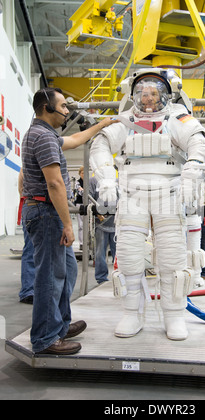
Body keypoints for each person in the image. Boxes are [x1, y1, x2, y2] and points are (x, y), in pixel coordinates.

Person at [90, 69, 205, 341]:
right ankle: (132, 313)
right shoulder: (125, 120)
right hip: (132, 195)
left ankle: (174, 315)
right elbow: (100, 145)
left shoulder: (177, 117)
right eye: (142, 92)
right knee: (130, 257)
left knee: (172, 259)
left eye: (154, 92)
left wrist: (192, 170)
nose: (148, 97)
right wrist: (107, 178)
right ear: (134, 95)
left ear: (165, 94)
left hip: (169, 193)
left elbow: (198, 142)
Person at [21, 87, 117, 355]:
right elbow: (54, 184)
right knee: (49, 277)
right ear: (46, 108)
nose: (67, 111)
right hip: (46, 213)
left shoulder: (45, 134)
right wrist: (67, 224)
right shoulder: (43, 137)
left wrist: (102, 124)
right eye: (63, 106)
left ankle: (59, 325)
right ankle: (45, 338)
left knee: (66, 271)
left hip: (45, 212)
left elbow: (75, 140)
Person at [89, 176, 116, 284]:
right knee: (100, 252)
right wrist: (97, 213)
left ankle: (119, 276)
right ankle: (101, 278)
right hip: (100, 223)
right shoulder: (94, 181)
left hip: (116, 223)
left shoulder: (116, 180)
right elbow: (88, 197)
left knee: (119, 253)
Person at [18, 168, 35, 304]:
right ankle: (28, 290)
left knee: (31, 251)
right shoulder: (26, 168)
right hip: (33, 206)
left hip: (30, 206)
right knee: (30, 251)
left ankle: (30, 289)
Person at [74, 166, 84, 249]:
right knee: (81, 225)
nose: (83, 174)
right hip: (80, 204)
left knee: (88, 225)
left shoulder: (90, 181)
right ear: (79, 174)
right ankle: (81, 243)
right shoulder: (77, 182)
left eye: (85, 173)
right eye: (82, 173)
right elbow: (81, 192)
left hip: (88, 204)